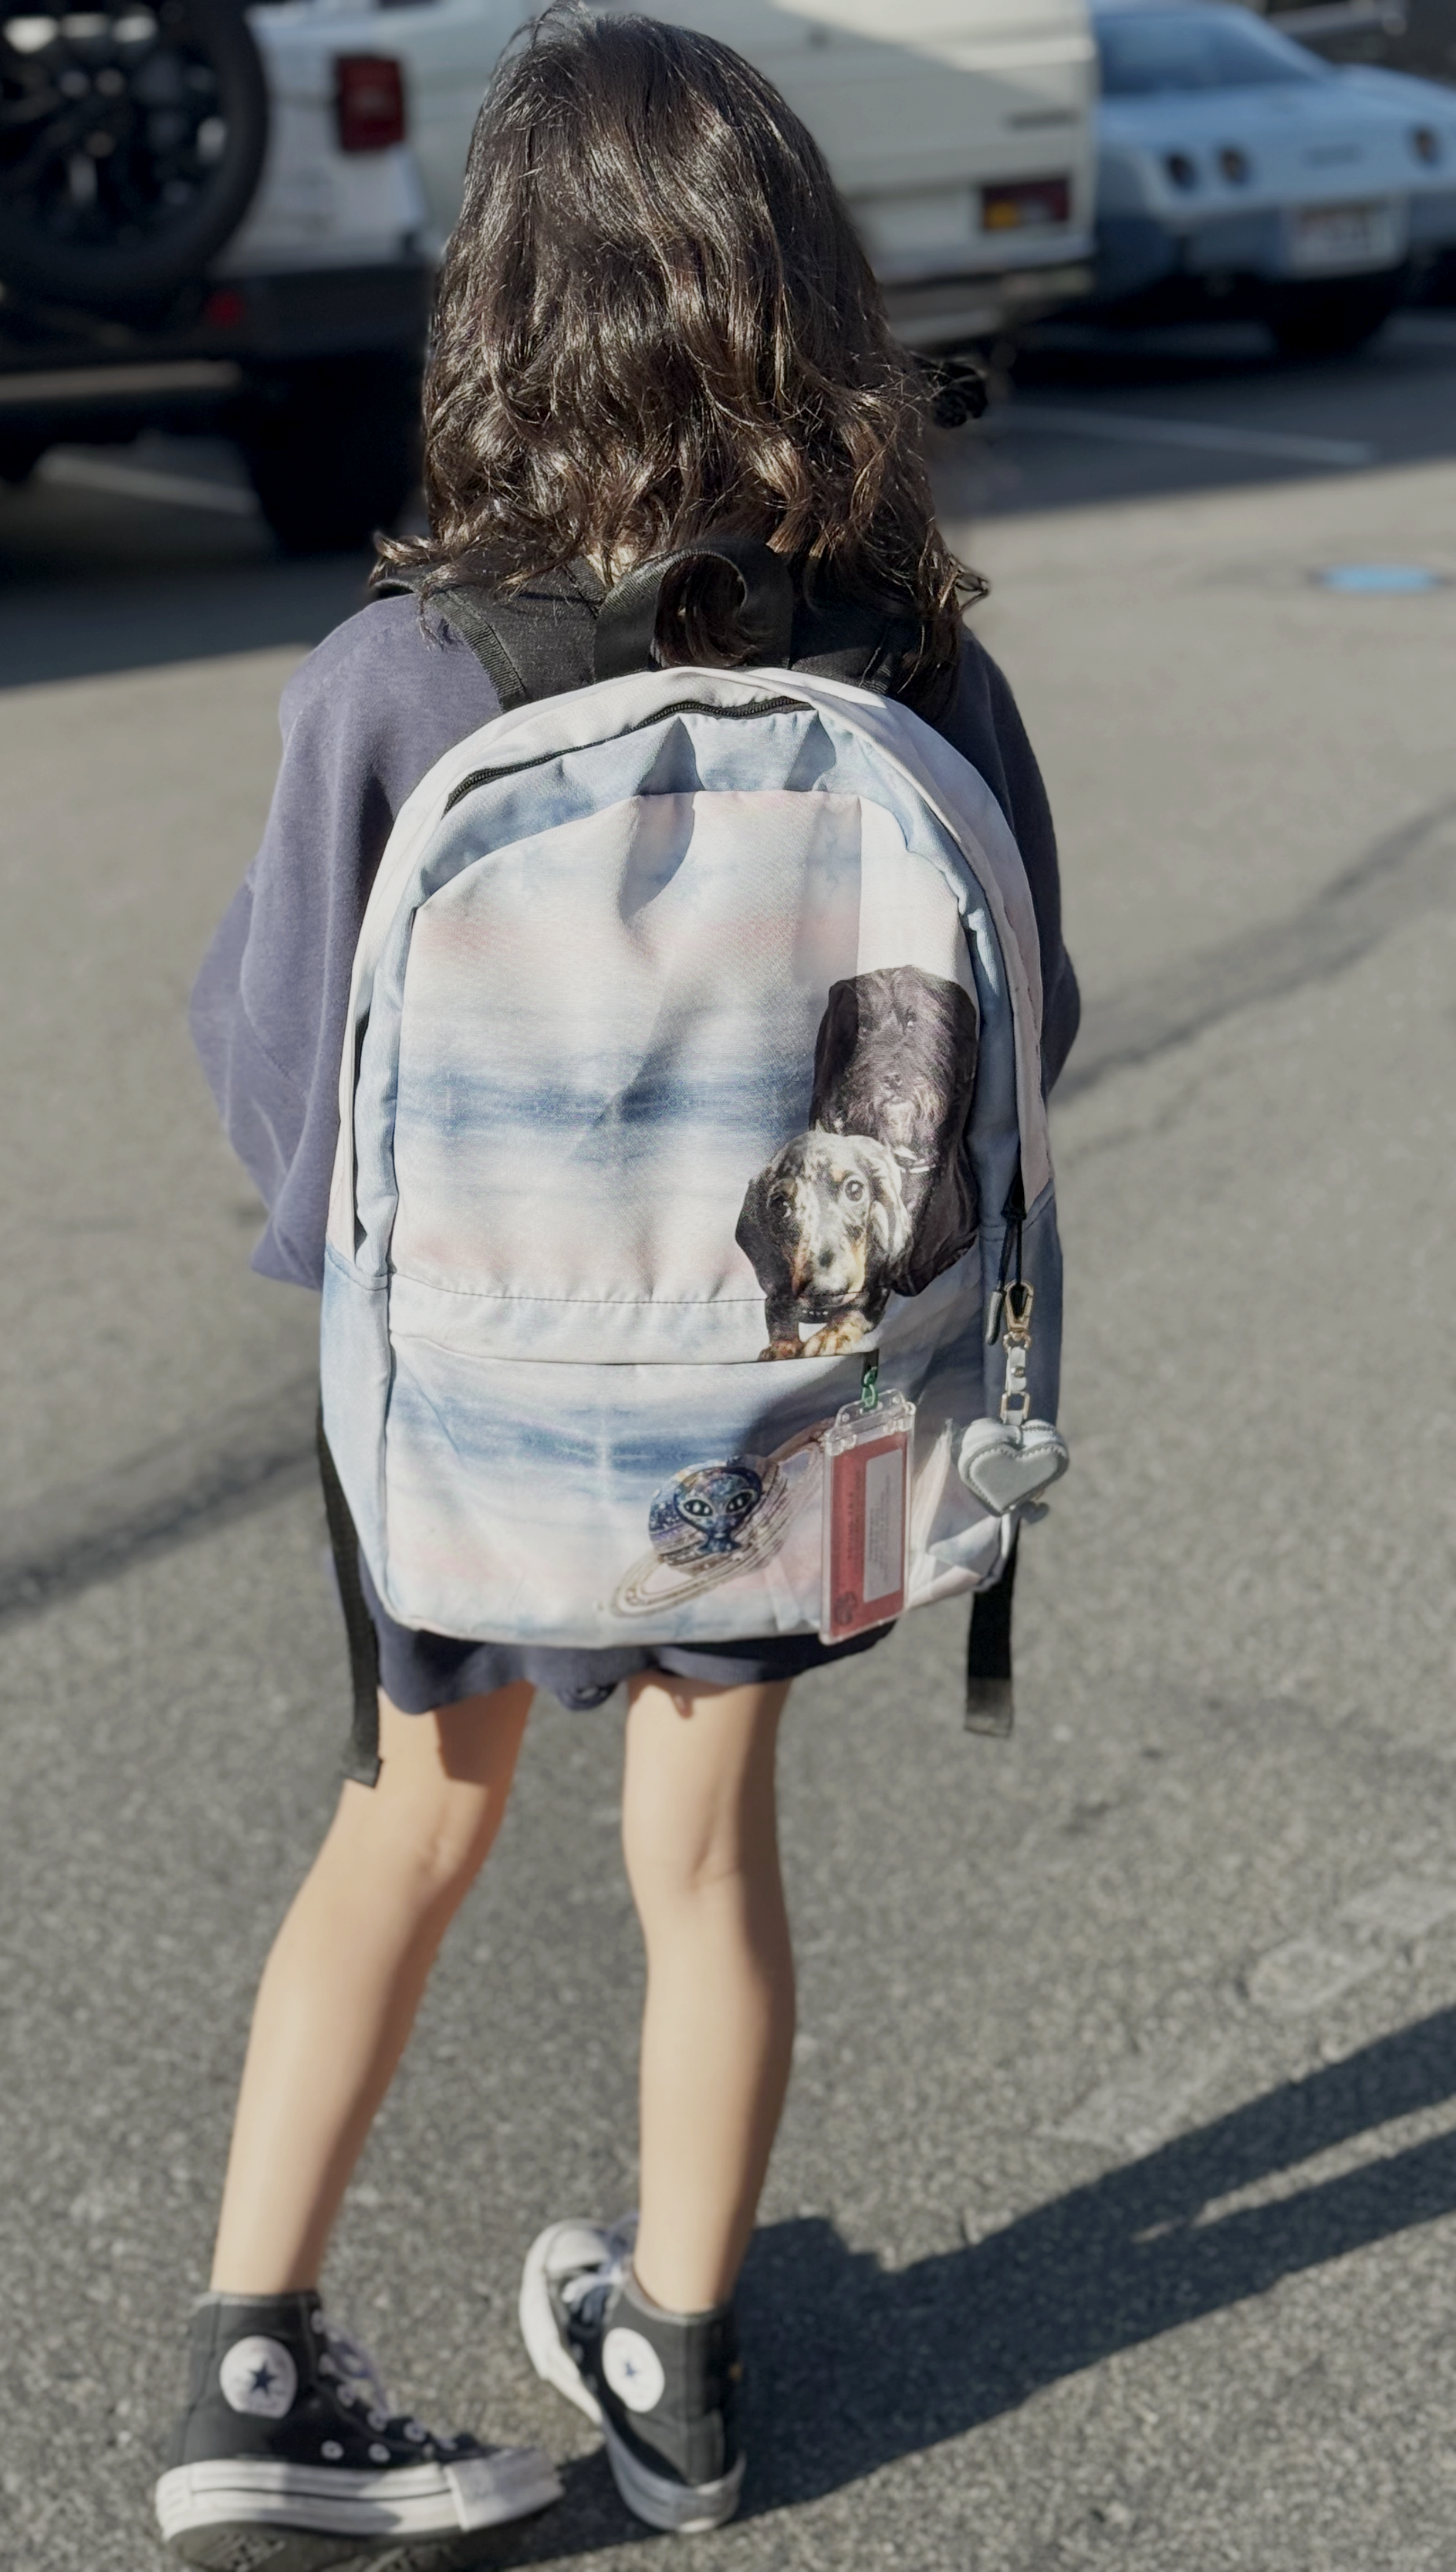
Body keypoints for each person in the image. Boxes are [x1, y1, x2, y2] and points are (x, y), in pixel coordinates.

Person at [160, 10, 1079, 2563]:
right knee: (704, 1861)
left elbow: (282, 1079)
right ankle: (674, 2374)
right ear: (813, 304)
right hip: (765, 1422)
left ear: (495, 316)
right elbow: (1026, 1031)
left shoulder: (393, 677)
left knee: (399, 1832)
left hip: (461, 1423)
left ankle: (256, 2351)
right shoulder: (911, 664)